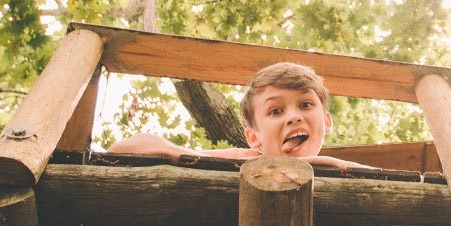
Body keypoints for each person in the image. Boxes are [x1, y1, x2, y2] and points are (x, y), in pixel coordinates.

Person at [109, 62, 364, 169]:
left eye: (306, 105)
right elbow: (122, 149)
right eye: (276, 111)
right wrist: (185, 156)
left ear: (327, 121)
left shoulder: (346, 179)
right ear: (254, 138)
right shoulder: (246, 161)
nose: (293, 117)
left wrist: (328, 163)